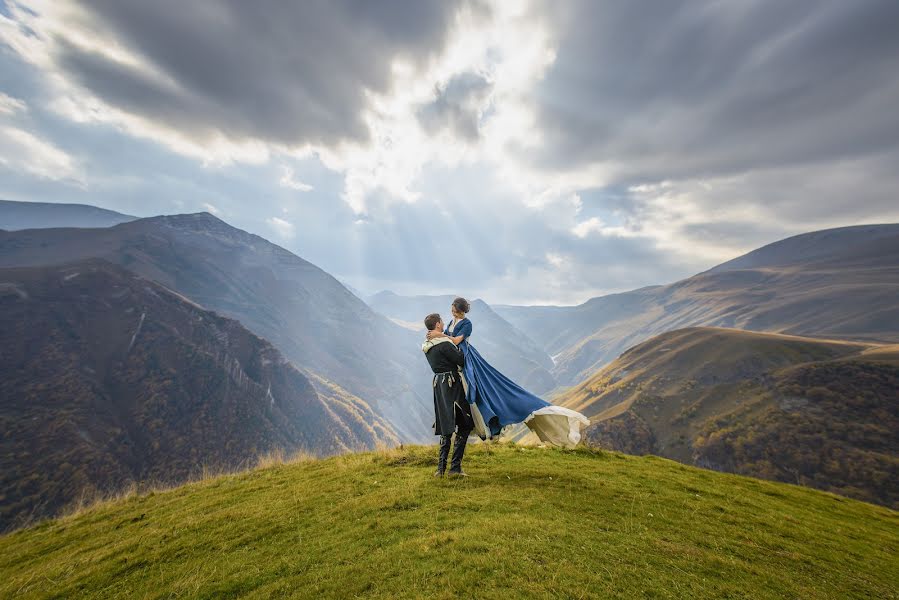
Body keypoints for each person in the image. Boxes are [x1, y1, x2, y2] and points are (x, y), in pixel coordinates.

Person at [427, 297, 589, 447]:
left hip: (466, 356)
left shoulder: (467, 324)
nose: (451, 311)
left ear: (459, 310)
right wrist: (439, 337)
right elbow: (449, 338)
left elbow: (456, 340)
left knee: (479, 386)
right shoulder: (452, 321)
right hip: (454, 355)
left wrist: (438, 335)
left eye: (453, 308)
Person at [421, 312, 474, 477]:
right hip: (452, 385)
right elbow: (461, 359)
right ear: (437, 324)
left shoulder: (427, 345)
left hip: (439, 386)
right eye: (442, 322)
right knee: (465, 424)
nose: (444, 323)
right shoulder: (444, 344)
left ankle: (441, 469)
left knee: (446, 427)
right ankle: (455, 468)